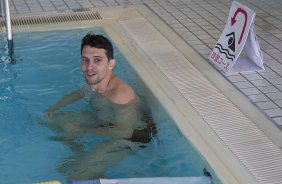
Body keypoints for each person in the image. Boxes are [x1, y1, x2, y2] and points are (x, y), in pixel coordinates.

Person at [43, 33, 156, 179]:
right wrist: (54, 108)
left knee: (75, 176)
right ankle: (87, 159)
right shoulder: (94, 79)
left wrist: (83, 130)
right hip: (104, 120)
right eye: (85, 60)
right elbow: (79, 93)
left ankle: (92, 169)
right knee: (52, 120)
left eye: (97, 60)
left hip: (132, 137)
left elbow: (125, 132)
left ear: (111, 64)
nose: (90, 67)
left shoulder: (120, 95)